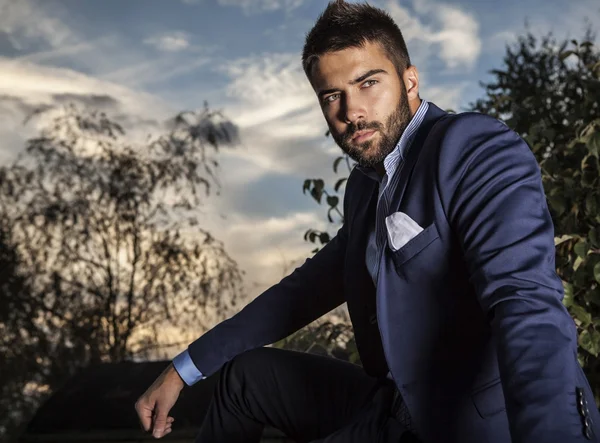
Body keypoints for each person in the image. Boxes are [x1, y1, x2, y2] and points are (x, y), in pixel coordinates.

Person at [135, 1, 600, 442]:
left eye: (368, 83)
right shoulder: (364, 188)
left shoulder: (471, 148)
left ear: (410, 80)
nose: (350, 111)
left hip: (469, 423)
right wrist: (181, 369)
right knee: (243, 378)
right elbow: (298, 294)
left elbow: (525, 304)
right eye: (331, 95)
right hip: (393, 409)